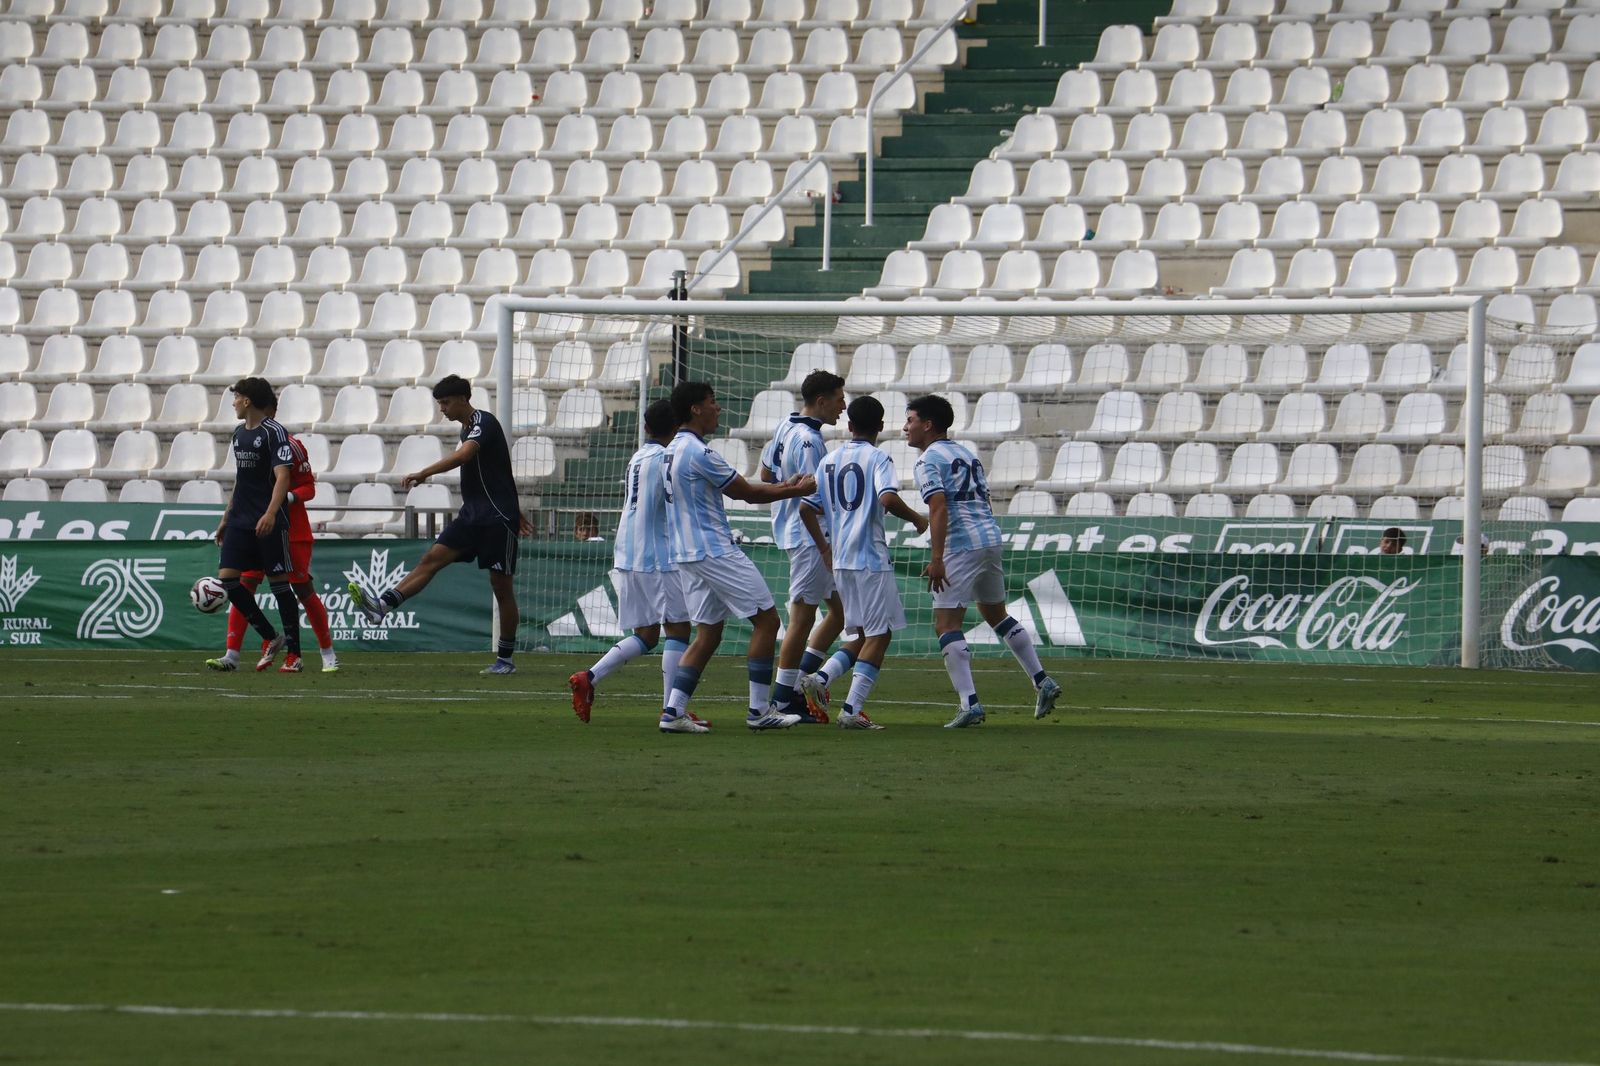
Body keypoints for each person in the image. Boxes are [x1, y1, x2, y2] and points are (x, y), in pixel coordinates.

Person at [658, 381, 816, 734]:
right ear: (696, 409)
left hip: (686, 553)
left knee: (708, 634)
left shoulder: (671, 450)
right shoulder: (699, 453)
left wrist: (786, 486)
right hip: (714, 550)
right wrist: (796, 488)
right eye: (713, 402)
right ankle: (760, 711)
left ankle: (673, 712)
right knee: (767, 621)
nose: (718, 408)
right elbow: (745, 493)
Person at [348, 375, 531, 675]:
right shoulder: (466, 428)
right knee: (431, 559)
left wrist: (424, 472)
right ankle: (383, 605)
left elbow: (465, 456)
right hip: (473, 515)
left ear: (462, 399)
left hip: (497, 519)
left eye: (445, 403)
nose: (442, 409)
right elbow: (498, 469)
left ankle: (505, 660)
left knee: (501, 587)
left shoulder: (483, 422)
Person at [905, 394, 1062, 729]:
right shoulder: (965, 453)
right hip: (989, 537)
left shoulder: (926, 461)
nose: (905, 427)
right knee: (995, 614)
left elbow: (939, 507)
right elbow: (984, 498)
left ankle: (970, 704)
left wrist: (937, 558)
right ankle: (1042, 680)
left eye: (910, 420)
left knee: (946, 624)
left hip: (961, 543)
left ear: (928, 424)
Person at [799, 396, 928, 730]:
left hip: (841, 561)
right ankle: (846, 704)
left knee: (860, 636)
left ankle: (825, 682)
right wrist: (917, 518)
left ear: (850, 425)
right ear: (881, 427)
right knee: (880, 636)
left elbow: (804, 508)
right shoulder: (878, 458)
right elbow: (887, 497)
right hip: (869, 559)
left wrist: (825, 549)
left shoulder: (829, 461)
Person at [568, 400, 699, 726]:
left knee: (647, 634)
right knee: (679, 630)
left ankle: (590, 677)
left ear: (645, 427)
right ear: (676, 428)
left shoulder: (638, 457)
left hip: (628, 552)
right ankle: (673, 710)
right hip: (658, 556)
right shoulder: (667, 459)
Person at [207, 401, 338, 673]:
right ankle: (232, 654)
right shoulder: (245, 440)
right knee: (245, 583)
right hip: (253, 525)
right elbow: (242, 482)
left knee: (302, 589)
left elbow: (309, 487)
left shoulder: (291, 445)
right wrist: (229, 518)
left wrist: (286, 499)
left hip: (291, 530)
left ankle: (327, 653)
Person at [759, 369, 857, 724]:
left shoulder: (786, 426)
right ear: (822, 401)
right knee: (801, 618)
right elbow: (816, 498)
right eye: (839, 399)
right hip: (811, 537)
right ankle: (783, 700)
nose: (843, 407)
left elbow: (766, 477)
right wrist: (827, 545)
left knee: (842, 613)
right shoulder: (810, 441)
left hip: (799, 534)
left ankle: (799, 684)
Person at [209, 377, 302, 673]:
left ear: (247, 400)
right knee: (227, 580)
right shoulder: (239, 434)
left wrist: (272, 513)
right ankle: (271, 636)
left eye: (236, 397)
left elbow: (283, 476)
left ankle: (294, 655)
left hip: (268, 519)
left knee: (279, 585)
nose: (234, 402)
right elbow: (241, 480)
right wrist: (226, 517)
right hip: (240, 520)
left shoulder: (275, 432)